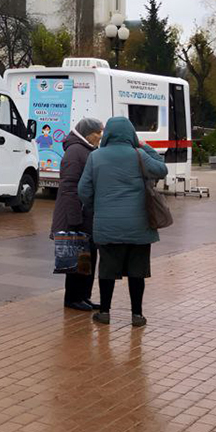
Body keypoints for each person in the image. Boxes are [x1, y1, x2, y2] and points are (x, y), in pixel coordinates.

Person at [78, 116, 168, 327]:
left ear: (108, 133)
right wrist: (144, 146)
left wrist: (96, 207)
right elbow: (162, 169)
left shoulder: (96, 157)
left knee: (107, 270)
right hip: (139, 227)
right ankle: (137, 315)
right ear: (131, 134)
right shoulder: (138, 155)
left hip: (107, 226)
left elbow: (83, 191)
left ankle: (105, 313)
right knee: (137, 272)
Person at [50, 117, 103, 311]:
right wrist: (74, 218)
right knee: (77, 258)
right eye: (98, 132)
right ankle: (73, 298)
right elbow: (69, 188)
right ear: (88, 133)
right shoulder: (75, 152)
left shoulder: (88, 150)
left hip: (86, 215)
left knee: (88, 257)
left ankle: (84, 296)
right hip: (76, 216)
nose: (100, 135)